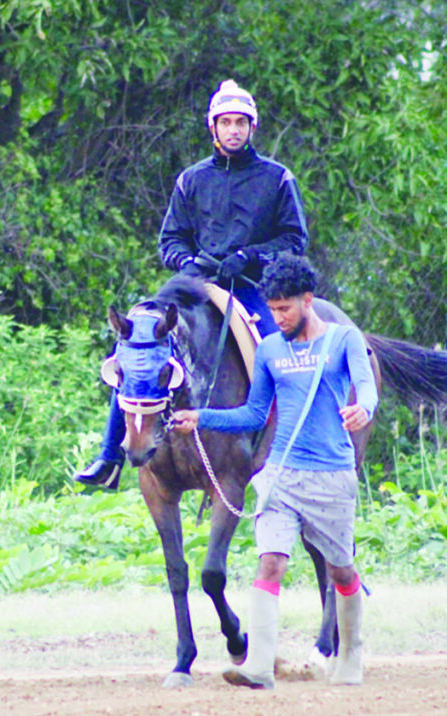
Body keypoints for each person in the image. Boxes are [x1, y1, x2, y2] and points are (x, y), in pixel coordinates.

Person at [73, 79, 310, 490]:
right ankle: (110, 455)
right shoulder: (191, 179)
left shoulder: (277, 178)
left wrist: (250, 256)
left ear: (252, 128)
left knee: (278, 351)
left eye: (241, 122)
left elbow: (295, 240)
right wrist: (186, 260)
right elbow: (170, 240)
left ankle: (292, 451)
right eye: (226, 122)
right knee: (135, 347)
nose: (233, 129)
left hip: (252, 285)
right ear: (213, 128)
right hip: (194, 285)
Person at [170, 253, 376, 689]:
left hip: (330, 475)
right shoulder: (269, 350)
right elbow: (252, 414)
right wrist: (201, 417)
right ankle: (259, 667)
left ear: (308, 299)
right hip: (281, 476)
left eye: (285, 309)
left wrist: (363, 409)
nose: (277, 317)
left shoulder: (344, 340)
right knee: (270, 564)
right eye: (273, 309)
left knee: (341, 570)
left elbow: (367, 385)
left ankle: (352, 653)